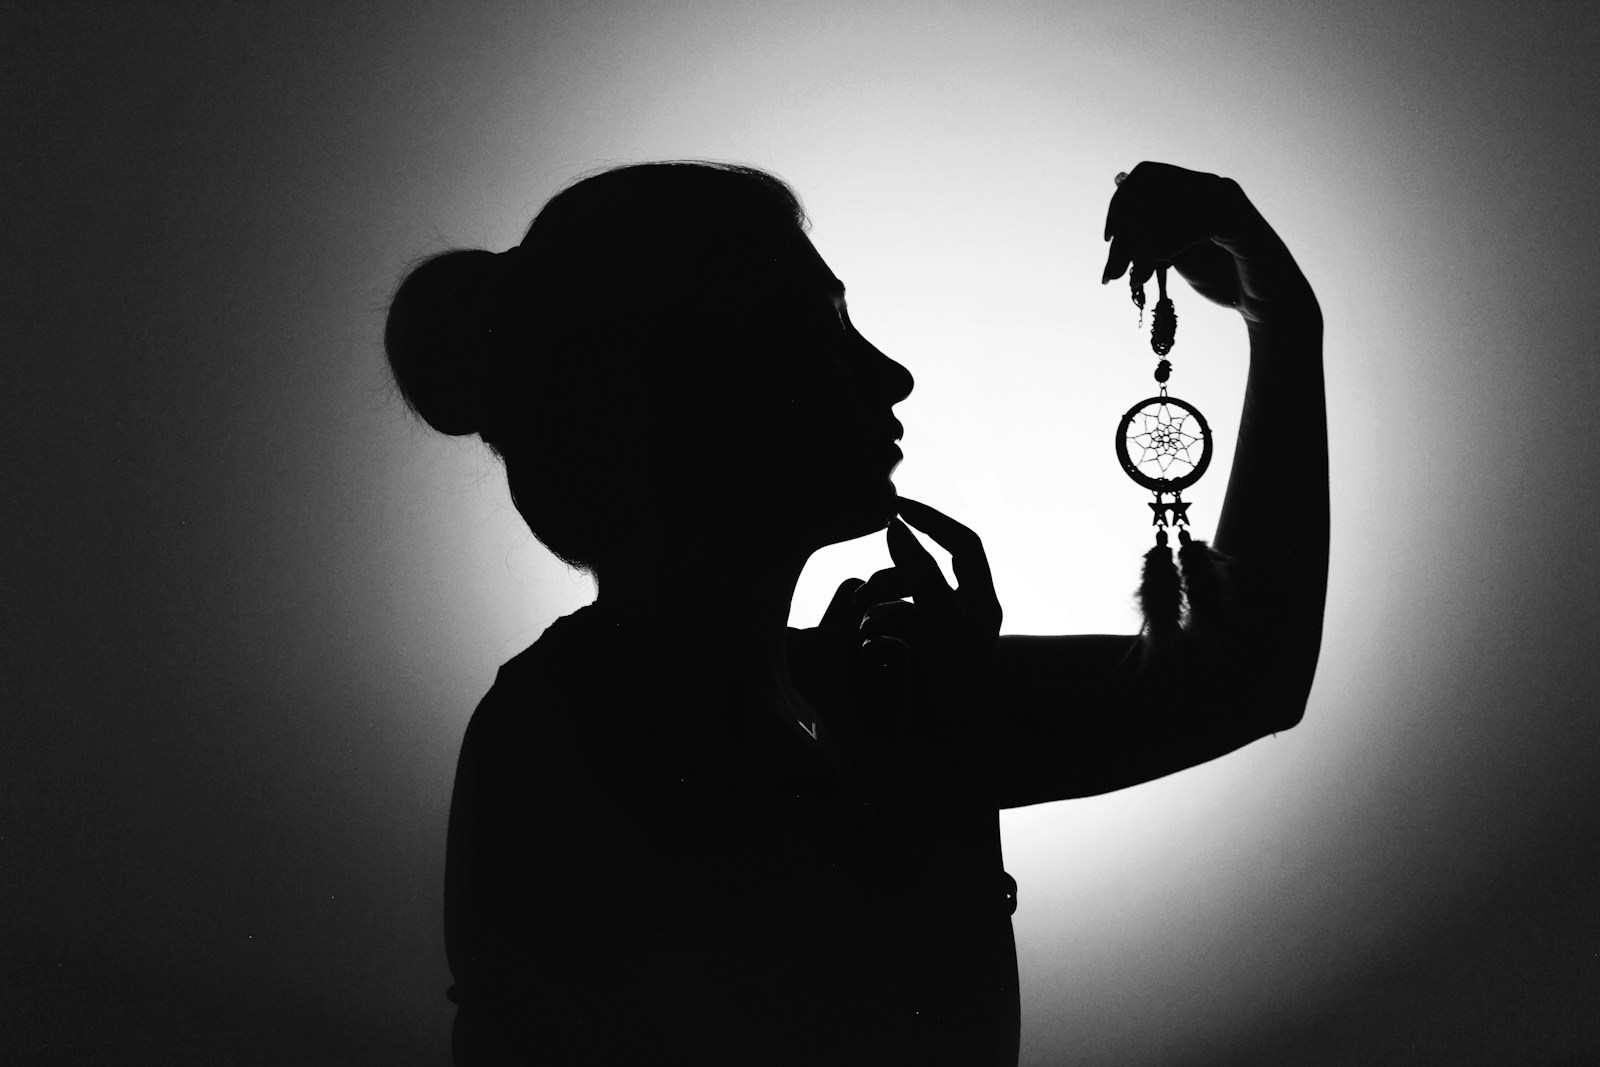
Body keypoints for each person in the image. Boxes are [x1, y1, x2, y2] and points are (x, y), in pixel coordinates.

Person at [384, 160, 1326, 1066]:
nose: (892, 375)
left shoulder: (851, 690)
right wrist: (949, 789)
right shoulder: (574, 736)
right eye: (825, 329)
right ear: (703, 389)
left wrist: (1280, 314)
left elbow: (1248, 676)